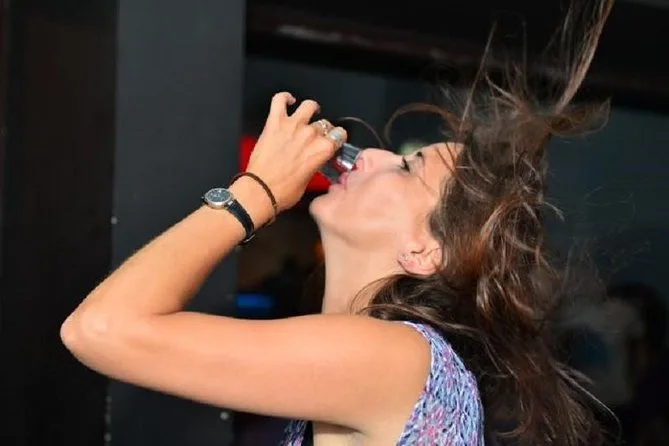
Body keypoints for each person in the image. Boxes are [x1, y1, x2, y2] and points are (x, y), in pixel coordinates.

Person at [60, 1, 615, 444]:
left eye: (407, 167)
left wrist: (256, 193)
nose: (369, 155)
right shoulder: (387, 360)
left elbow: (101, 329)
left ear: (423, 251)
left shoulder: (393, 357)